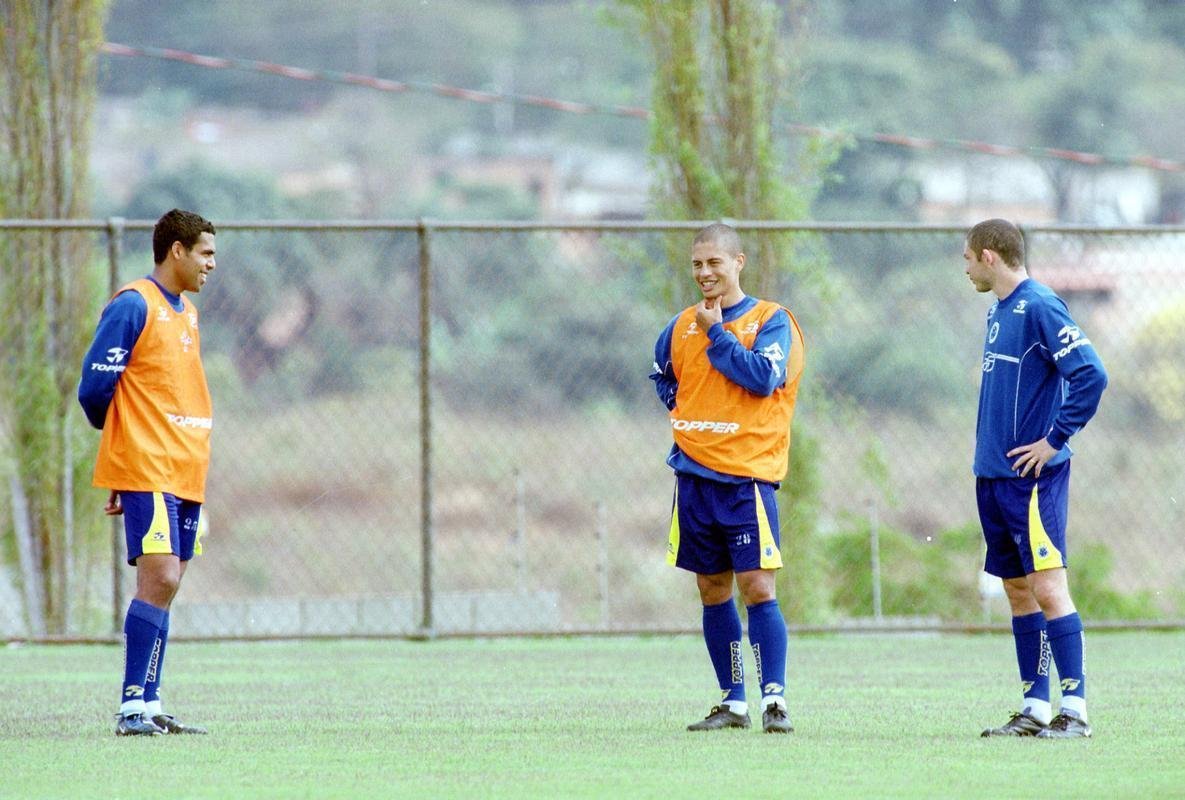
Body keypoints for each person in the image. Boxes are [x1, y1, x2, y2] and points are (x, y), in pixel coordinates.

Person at [650, 223, 805, 734]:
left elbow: (763, 377)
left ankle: (774, 700)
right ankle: (733, 701)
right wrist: (687, 414)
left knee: (757, 586)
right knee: (712, 589)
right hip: (693, 477)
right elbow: (662, 374)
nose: (704, 273)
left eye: (714, 262)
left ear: (738, 261)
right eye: (697, 264)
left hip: (747, 480)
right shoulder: (678, 326)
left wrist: (717, 332)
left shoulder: (772, 320)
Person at [964, 218, 1107, 740]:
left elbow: (1092, 374)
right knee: (1018, 591)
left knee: (1048, 588)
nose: (964, 268)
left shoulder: (1040, 304)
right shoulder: (998, 310)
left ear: (988, 257)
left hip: (1031, 481)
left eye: (966, 258)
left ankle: (1076, 710)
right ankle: (1036, 707)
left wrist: (1054, 440)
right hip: (994, 478)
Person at [79, 209, 218, 736]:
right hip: (150, 465)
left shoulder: (187, 314)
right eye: (205, 253)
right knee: (158, 576)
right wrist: (125, 453)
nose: (211, 264)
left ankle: (151, 703)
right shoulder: (135, 304)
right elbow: (94, 390)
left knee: (169, 581)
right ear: (176, 251)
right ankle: (132, 707)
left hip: (184, 467)